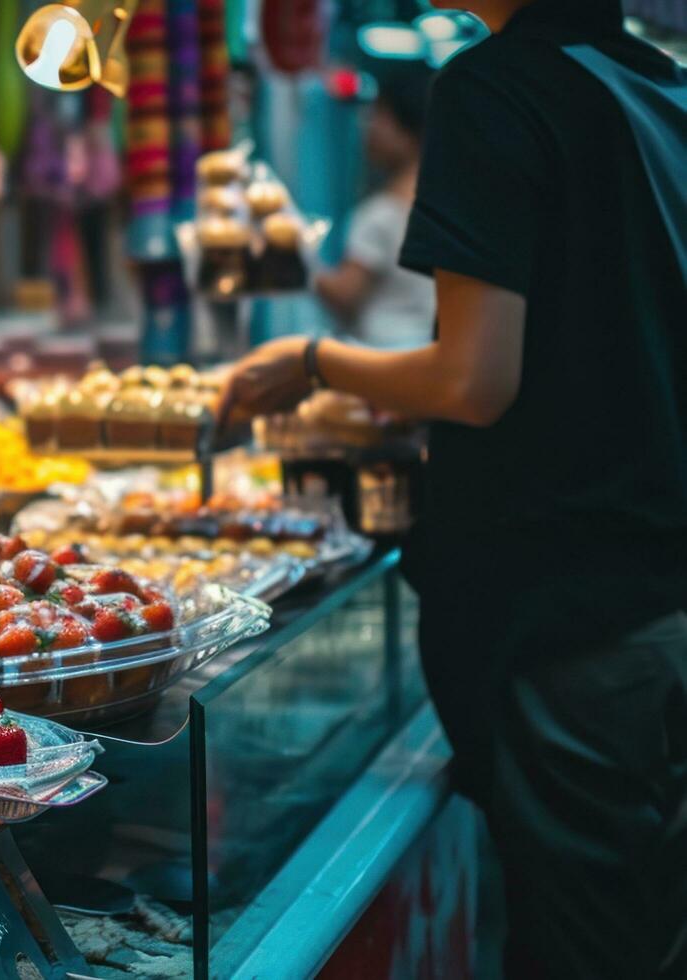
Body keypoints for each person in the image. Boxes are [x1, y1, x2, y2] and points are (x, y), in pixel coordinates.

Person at [220, 1, 687, 976]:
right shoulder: (657, 85)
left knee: (578, 948)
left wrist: (314, 359)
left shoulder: (494, 84)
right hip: (652, 604)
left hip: (570, 635)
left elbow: (474, 379)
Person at [312, 64, 436, 349]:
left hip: (378, 358)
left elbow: (345, 296)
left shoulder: (382, 214)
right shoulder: (446, 207)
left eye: (380, 115)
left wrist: (296, 255)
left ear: (408, 130)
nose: (367, 126)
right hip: (425, 353)